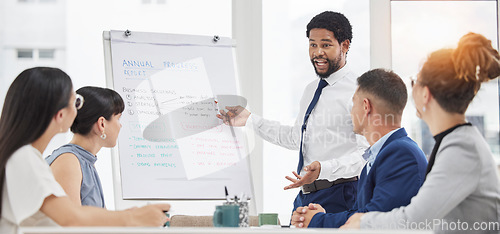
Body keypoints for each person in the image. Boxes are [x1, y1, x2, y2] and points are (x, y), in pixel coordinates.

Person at [341, 33, 500, 233]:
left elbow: (414, 220)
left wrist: (362, 222)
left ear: (425, 94)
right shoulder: (457, 143)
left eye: (415, 81)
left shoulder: (462, 149)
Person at [217, 11, 368, 214]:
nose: (317, 52)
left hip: (341, 195)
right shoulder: (311, 90)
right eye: (312, 44)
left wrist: (324, 168)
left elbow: (366, 154)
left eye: (326, 45)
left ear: (345, 45)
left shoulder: (358, 91)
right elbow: (297, 138)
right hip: (304, 195)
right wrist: (250, 120)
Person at [0, 67, 170, 234]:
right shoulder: (26, 157)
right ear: (60, 115)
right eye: (76, 102)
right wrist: (134, 217)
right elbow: (72, 219)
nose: (78, 110)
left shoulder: (25, 157)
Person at [290, 69, 428, 228]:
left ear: (365, 106)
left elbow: (373, 220)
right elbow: (359, 214)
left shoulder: (401, 154)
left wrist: (317, 220)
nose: (350, 112)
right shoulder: (376, 157)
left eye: (353, 103)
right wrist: (323, 216)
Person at [46, 86, 124, 208]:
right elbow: (72, 222)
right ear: (102, 124)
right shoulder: (68, 161)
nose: (120, 125)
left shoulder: (83, 161)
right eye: (118, 118)